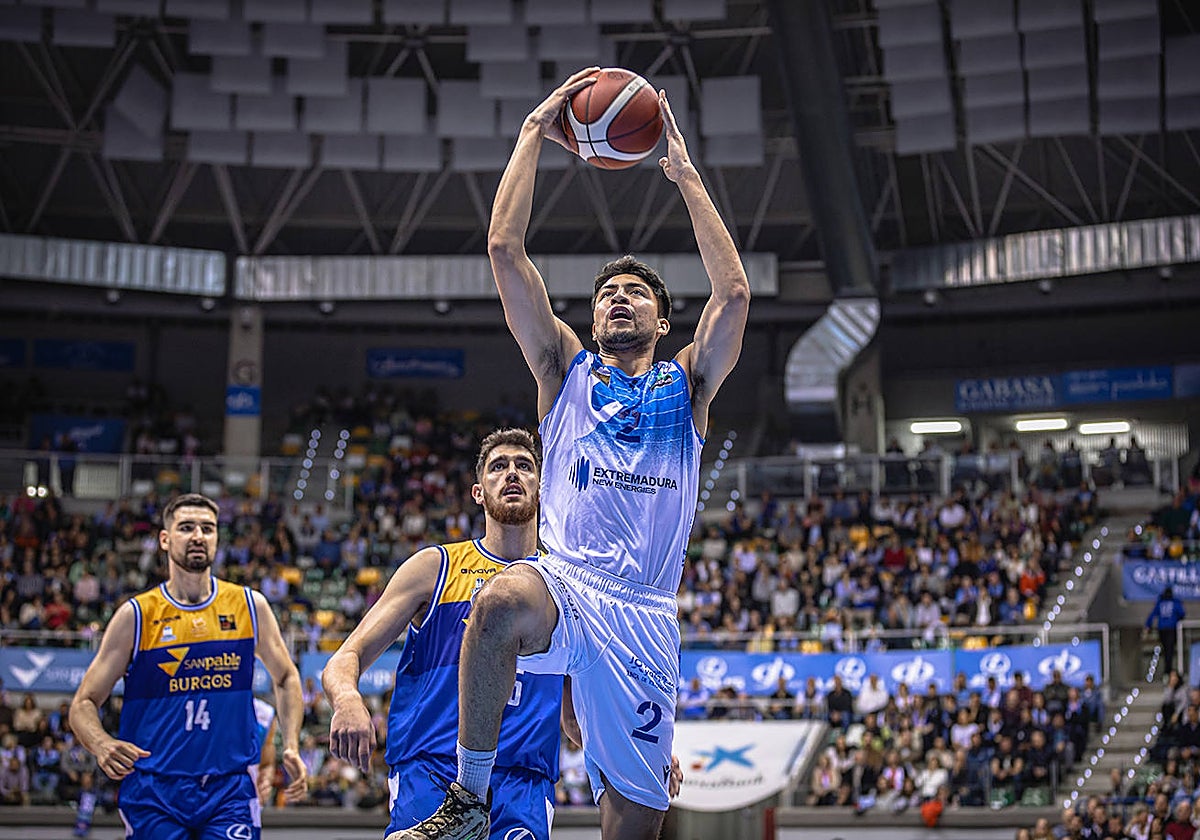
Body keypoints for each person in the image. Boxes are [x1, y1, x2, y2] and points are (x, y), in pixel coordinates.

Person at [398, 66, 750, 840]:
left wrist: (684, 176)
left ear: (663, 321)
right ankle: (470, 800)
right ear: (591, 320)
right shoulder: (565, 373)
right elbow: (503, 248)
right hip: (568, 584)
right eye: (606, 294)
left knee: (634, 825)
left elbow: (733, 297)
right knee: (496, 607)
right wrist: (533, 132)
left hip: (645, 615)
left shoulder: (687, 385)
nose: (618, 297)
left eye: (636, 292)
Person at [324, 429, 565, 840]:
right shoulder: (435, 567)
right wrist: (347, 700)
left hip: (522, 779)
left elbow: (578, 714)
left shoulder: (564, 582)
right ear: (478, 492)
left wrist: (638, 755)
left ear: (542, 489)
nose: (512, 474)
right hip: (433, 770)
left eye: (524, 466)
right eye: (498, 467)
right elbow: (346, 657)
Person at [69, 493, 308, 839]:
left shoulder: (249, 606)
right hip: (155, 790)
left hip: (229, 790)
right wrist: (101, 743)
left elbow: (286, 676)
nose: (198, 536)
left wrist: (291, 745)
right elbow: (83, 702)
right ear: (164, 539)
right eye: (186, 528)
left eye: (207, 528)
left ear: (217, 538)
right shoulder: (136, 616)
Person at [1146, 585, 1185, 674]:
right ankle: (1168, 671)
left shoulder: (1161, 602)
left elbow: (1152, 615)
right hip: (1171, 629)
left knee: (1166, 650)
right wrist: (1176, 619)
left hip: (1162, 629)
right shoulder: (1175, 602)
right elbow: (1182, 613)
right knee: (1169, 650)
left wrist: (1148, 625)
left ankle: (1167, 670)